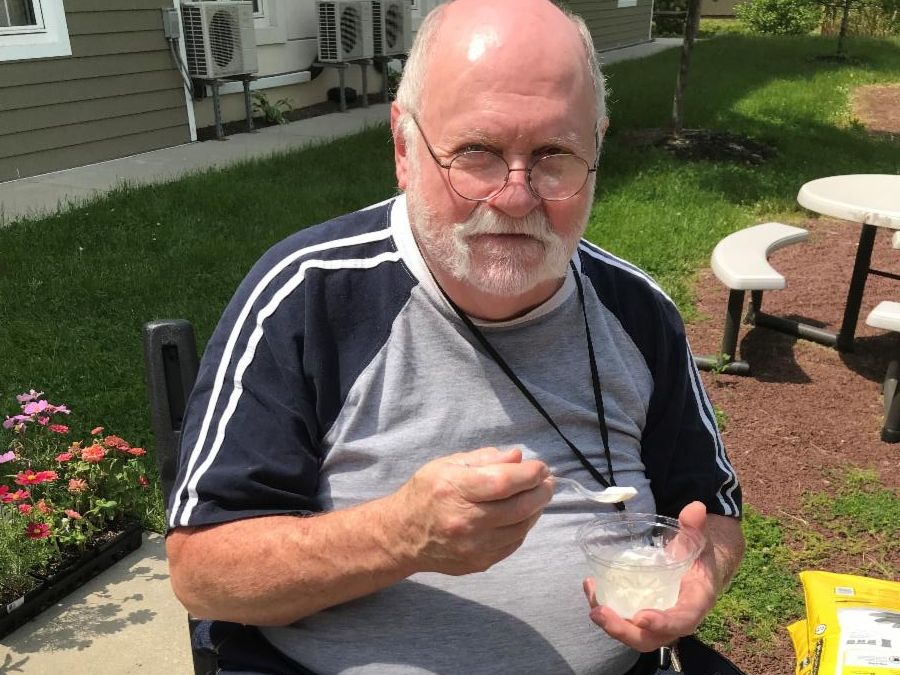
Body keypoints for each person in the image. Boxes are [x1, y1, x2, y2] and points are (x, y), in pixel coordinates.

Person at [165, 0, 745, 673]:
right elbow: (202, 572)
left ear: (597, 148)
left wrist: (700, 573)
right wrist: (401, 535)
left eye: (554, 155)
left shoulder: (638, 312)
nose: (516, 197)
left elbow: (711, 510)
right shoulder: (309, 297)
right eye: (477, 153)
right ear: (404, 147)